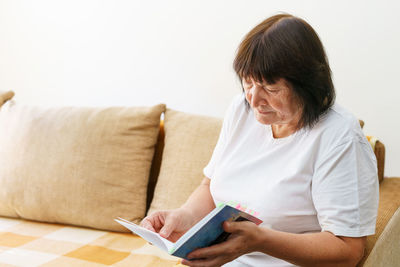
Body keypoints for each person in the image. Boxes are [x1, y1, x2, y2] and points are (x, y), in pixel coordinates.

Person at [140, 13, 379, 267]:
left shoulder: (340, 137)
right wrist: (184, 216)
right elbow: (210, 186)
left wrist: (261, 240)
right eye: (248, 82)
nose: (253, 99)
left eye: (270, 88)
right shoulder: (242, 110)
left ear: (308, 85)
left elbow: (347, 251)